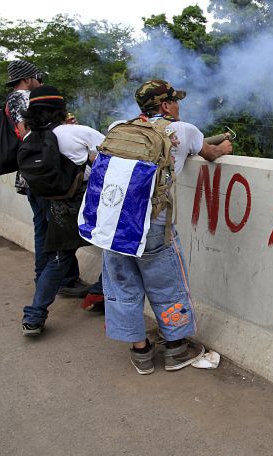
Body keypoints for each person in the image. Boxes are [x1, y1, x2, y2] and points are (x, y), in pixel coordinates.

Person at [102, 79, 232, 374]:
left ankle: (141, 353)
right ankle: (175, 349)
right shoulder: (184, 130)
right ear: (164, 105)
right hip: (152, 226)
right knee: (166, 285)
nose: (178, 106)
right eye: (175, 101)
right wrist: (223, 146)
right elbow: (210, 155)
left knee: (122, 286)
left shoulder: (118, 127)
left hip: (112, 225)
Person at [21, 85, 106, 336]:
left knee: (59, 259)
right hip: (84, 203)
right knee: (116, 248)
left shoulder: (30, 137)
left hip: (54, 205)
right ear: (61, 110)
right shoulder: (77, 132)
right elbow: (115, 152)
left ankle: (34, 316)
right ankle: (100, 292)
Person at [5, 60, 88, 298]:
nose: (39, 81)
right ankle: (63, 281)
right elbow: (26, 132)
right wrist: (60, 128)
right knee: (57, 231)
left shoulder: (11, 99)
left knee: (45, 228)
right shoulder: (23, 97)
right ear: (28, 78)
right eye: (36, 77)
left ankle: (47, 279)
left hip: (31, 172)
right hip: (44, 172)